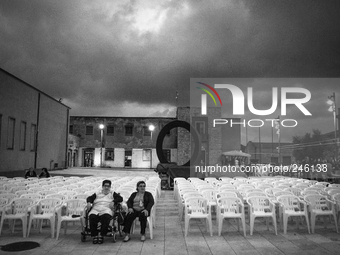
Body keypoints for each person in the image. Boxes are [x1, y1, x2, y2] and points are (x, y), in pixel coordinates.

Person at [86, 180, 121, 244]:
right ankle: (95, 235)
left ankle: (102, 235)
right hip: (96, 208)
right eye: (105, 186)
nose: (106, 187)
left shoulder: (112, 193)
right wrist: (88, 202)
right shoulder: (98, 193)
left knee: (106, 217)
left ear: (110, 187)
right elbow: (90, 198)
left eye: (108, 186)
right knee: (92, 217)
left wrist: (113, 201)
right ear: (102, 186)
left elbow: (120, 198)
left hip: (106, 209)